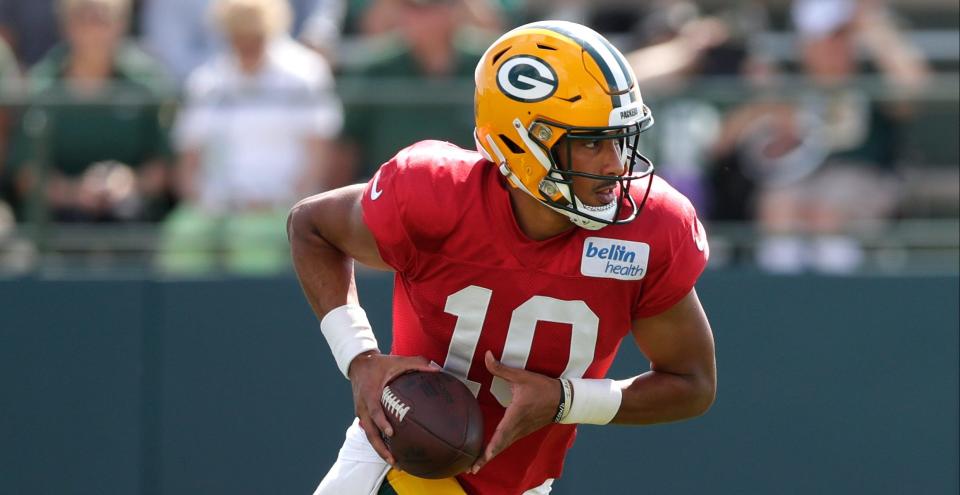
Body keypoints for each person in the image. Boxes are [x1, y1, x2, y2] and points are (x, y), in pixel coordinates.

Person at [289, 21, 717, 495]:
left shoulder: (652, 226)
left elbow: (691, 383)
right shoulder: (436, 194)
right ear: (523, 143)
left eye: (619, 140)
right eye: (592, 142)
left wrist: (564, 400)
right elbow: (310, 226)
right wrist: (360, 358)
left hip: (522, 485)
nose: (615, 164)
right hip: (394, 468)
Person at [157, 0, 342, 275]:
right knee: (182, 235)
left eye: (254, 38)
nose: (246, 47)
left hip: (282, 204)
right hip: (216, 205)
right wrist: (205, 201)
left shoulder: (305, 74)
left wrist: (286, 200)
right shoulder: (207, 81)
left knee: (253, 243)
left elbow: (319, 155)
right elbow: (189, 160)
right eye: (237, 38)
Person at [5, 0, 174, 223]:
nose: (93, 29)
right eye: (83, 17)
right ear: (65, 25)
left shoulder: (147, 81)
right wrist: (74, 192)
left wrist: (130, 182)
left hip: (131, 217)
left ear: (122, 23)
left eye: (103, 18)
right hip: (60, 220)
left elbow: (165, 165)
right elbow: (26, 175)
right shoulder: (42, 84)